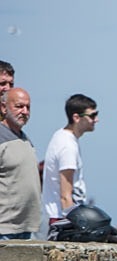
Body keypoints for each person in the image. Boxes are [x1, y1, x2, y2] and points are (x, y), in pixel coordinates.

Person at [41, 94, 99, 226]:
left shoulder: (64, 137)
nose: (97, 120)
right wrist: (76, 224)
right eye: (92, 116)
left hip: (61, 216)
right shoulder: (67, 146)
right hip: (62, 218)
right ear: (76, 117)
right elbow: (65, 195)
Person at [0, 88, 41, 240]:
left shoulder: (25, 139)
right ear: (4, 107)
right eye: (19, 106)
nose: (24, 111)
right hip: (4, 229)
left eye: (28, 107)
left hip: (26, 227)